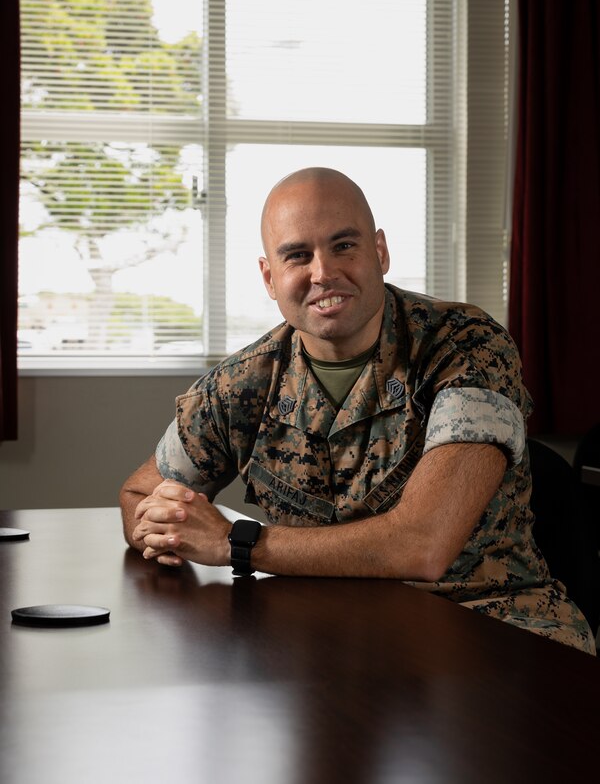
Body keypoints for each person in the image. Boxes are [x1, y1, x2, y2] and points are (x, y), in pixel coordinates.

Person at [120, 167, 595, 654]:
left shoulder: (466, 347)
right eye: (297, 255)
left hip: (493, 630)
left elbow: (423, 544)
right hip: (331, 640)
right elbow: (138, 494)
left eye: (344, 245)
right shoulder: (244, 382)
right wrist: (167, 526)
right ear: (269, 277)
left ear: (380, 252)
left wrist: (234, 542)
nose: (323, 273)